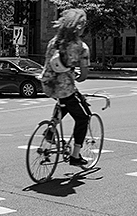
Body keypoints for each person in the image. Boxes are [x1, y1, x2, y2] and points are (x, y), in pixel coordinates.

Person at [40, 8, 91, 167]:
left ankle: (51, 129)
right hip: (65, 88)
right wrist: (75, 74)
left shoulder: (53, 41)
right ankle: (76, 155)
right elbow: (83, 76)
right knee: (84, 116)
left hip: (48, 84)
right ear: (79, 27)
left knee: (66, 103)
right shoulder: (81, 47)